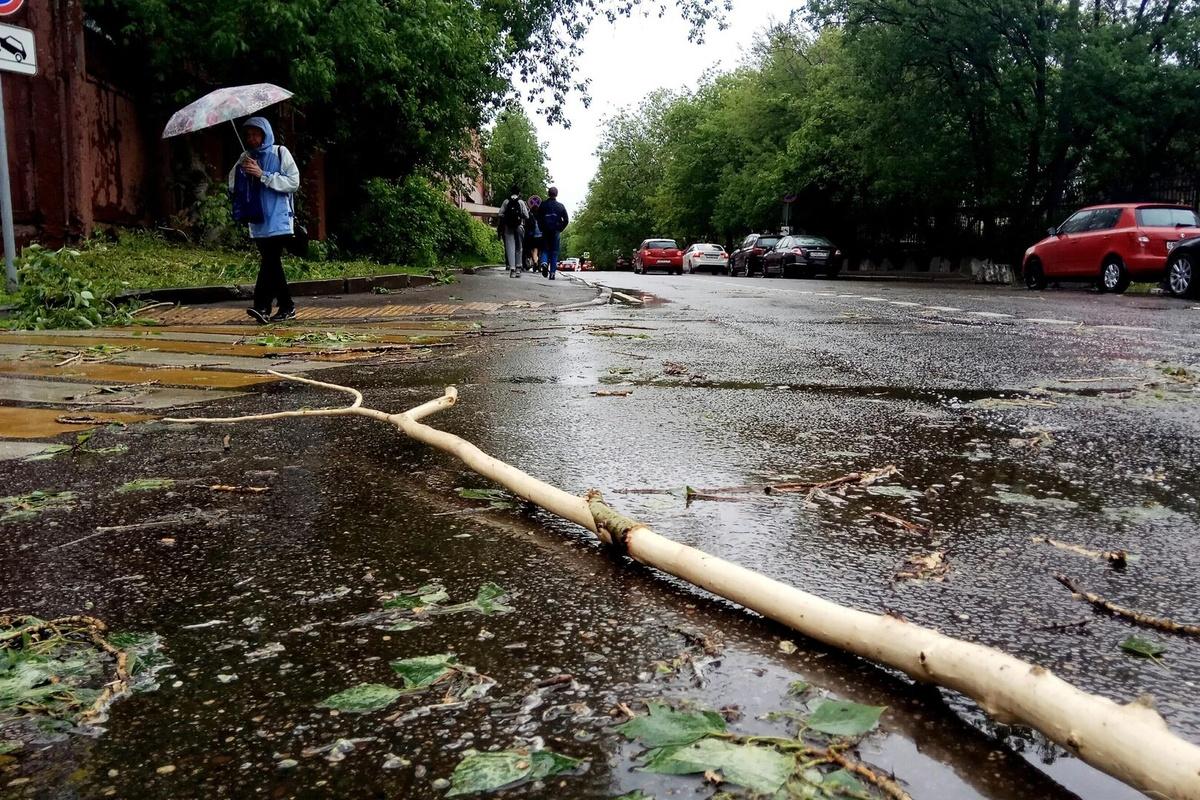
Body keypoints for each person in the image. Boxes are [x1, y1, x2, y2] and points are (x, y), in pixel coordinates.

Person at [228, 117, 301, 323]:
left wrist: (263, 175)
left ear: (265, 134)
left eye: (256, 134)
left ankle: (263, 306)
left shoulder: (280, 152)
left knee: (270, 260)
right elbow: (232, 185)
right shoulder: (245, 157)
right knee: (271, 263)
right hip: (258, 219)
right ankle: (284, 307)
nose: (252, 139)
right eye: (248, 135)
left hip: (279, 219)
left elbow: (293, 182)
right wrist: (244, 173)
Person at [497, 184, 529, 278]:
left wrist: (507, 218)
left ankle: (512, 269)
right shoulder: (521, 202)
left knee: (510, 247)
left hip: (508, 227)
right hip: (519, 226)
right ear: (519, 193)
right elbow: (526, 216)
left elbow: (500, 213)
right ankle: (519, 267)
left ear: (511, 192)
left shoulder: (506, 201)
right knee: (519, 247)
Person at [538, 187, 569, 280]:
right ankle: (552, 273)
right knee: (554, 252)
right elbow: (566, 220)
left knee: (545, 249)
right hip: (556, 231)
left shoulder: (543, 205)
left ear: (548, 194)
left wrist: (541, 228)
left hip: (545, 231)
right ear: (556, 194)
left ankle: (544, 263)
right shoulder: (560, 206)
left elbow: (539, 218)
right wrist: (561, 228)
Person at [524, 195, 542, 271]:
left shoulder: (529, 214)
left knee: (534, 250)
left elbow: (526, 225)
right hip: (541, 235)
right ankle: (538, 263)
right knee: (539, 250)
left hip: (532, 236)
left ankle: (535, 262)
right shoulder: (541, 215)